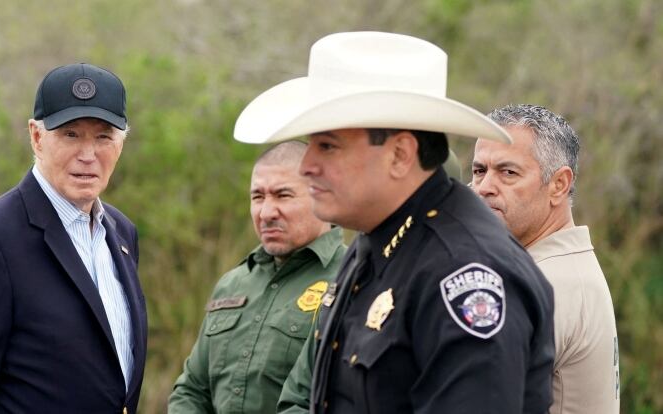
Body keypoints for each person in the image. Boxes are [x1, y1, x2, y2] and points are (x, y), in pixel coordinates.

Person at [234, 31, 555, 413]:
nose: (307, 165)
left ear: (400, 154)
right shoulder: (375, 243)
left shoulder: (465, 270)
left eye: (328, 146)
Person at [0, 63, 147, 413]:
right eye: (70, 134)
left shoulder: (122, 232)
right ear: (37, 137)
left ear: (121, 143)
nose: (88, 154)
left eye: (103, 136)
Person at [168, 141, 347, 413]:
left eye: (283, 195)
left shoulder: (352, 279)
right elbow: (191, 389)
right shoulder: (233, 283)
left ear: (321, 194)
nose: (266, 213)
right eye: (258, 197)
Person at [471, 103, 620, 414]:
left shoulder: (542, 283)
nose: (483, 187)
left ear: (558, 185)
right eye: (479, 170)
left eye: (508, 172)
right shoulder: (563, 269)